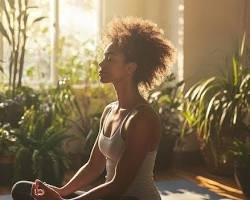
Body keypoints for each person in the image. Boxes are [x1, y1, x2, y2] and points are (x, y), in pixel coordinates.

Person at [11, 16, 176, 200]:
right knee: (22, 190)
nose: (101, 63)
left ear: (130, 68)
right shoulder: (110, 111)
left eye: (110, 58)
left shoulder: (142, 119)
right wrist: (62, 192)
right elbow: (94, 165)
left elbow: (119, 186)